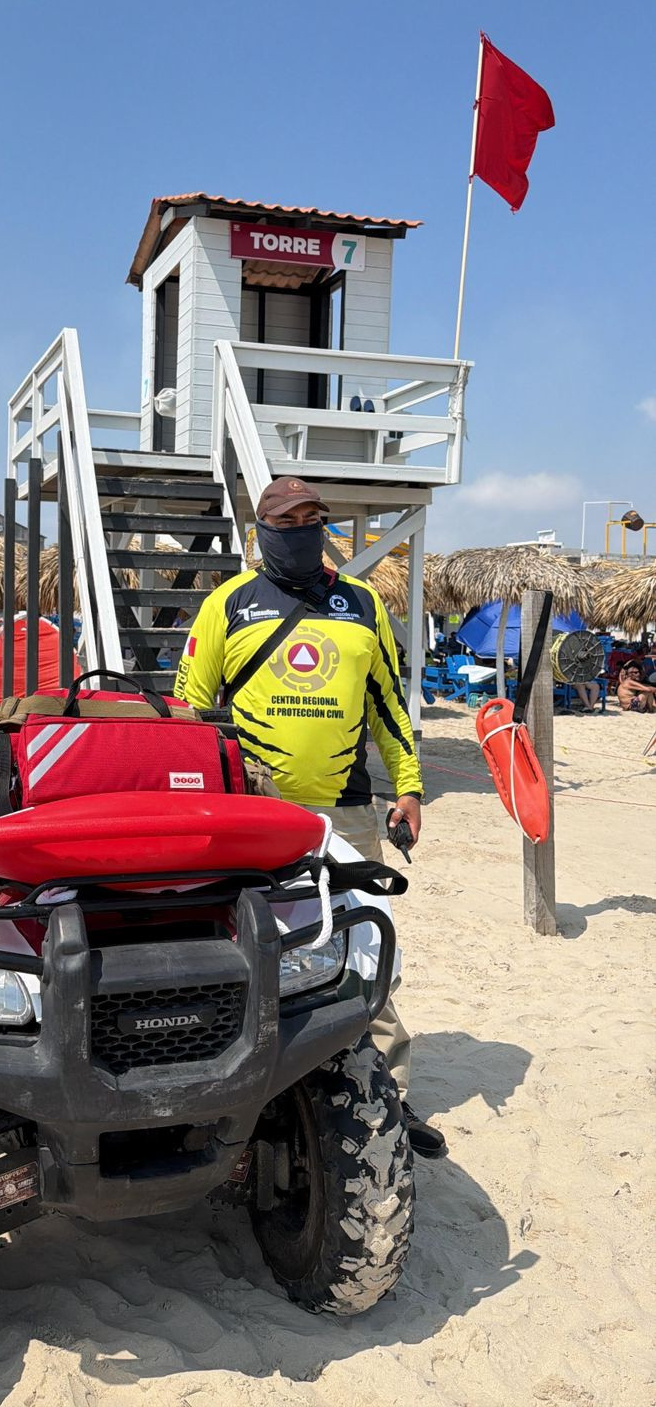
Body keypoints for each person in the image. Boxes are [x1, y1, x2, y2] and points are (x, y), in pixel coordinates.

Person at [174, 474, 444, 1158]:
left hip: (347, 813)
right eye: (288, 521)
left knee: (365, 948)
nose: (302, 531)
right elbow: (188, 709)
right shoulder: (228, 605)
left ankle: (388, 1095)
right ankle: (246, 1089)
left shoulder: (362, 604)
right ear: (262, 531)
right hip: (254, 814)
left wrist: (409, 787)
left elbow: (387, 703)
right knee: (249, 947)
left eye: (312, 519)